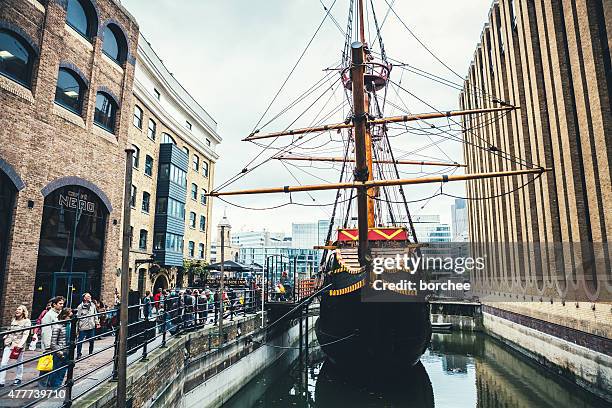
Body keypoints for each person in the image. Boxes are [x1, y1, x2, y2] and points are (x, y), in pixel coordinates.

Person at [0, 305, 31, 386]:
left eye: (19, 309)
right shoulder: (13, 320)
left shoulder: (27, 321)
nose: (17, 310)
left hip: (18, 344)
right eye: (17, 309)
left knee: (19, 362)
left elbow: (26, 334)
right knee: (3, 363)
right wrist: (6, 336)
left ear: (23, 312)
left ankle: (18, 378)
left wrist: (20, 345)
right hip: (9, 343)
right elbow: (10, 330)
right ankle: (1, 381)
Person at [39, 296, 64, 387]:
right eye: (60, 304)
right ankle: (42, 387)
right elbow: (46, 331)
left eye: (62, 304)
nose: (62, 305)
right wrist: (47, 346)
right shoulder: (48, 315)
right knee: (45, 368)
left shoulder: (60, 314)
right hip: (50, 346)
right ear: (54, 304)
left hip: (58, 344)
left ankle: (51, 384)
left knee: (56, 366)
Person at [48, 308, 72, 389]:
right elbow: (53, 343)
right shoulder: (57, 326)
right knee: (56, 370)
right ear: (65, 316)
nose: (71, 316)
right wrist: (59, 352)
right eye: (70, 315)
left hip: (67, 350)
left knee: (63, 371)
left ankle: (57, 386)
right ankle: (54, 387)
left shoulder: (70, 325)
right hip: (60, 351)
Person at [75, 293, 100, 359]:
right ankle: (78, 354)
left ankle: (91, 352)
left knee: (91, 340)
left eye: (90, 296)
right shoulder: (80, 307)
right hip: (83, 326)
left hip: (91, 325)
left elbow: (95, 314)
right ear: (84, 298)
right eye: (88, 296)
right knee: (80, 341)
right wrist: (77, 328)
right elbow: (78, 317)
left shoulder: (93, 305)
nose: (90, 297)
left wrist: (97, 323)